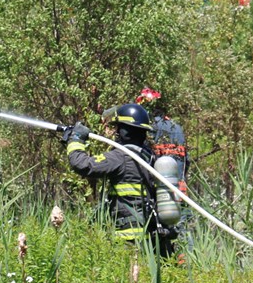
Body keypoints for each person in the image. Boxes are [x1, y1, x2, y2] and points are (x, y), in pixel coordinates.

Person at [60, 103, 177, 255]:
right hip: (152, 234)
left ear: (124, 131)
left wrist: (76, 139)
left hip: (130, 241)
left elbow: (81, 164)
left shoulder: (120, 157)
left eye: (117, 128)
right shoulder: (149, 156)